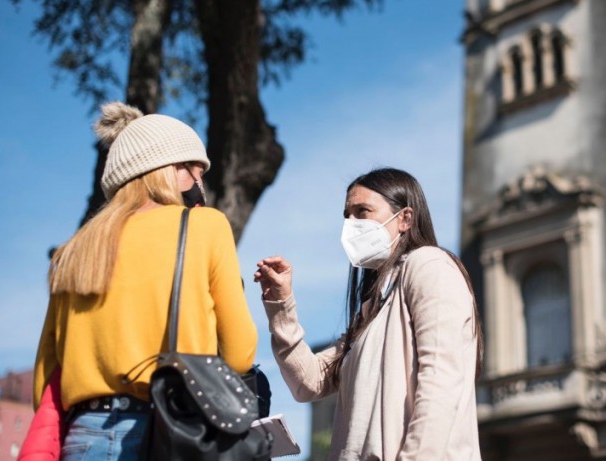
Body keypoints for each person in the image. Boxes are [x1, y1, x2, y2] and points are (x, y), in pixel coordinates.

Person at [32, 102, 258, 460]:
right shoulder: (204, 226)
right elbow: (240, 354)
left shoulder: (73, 251)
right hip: (167, 431)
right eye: (194, 171)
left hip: (82, 435)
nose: (200, 183)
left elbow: (45, 377)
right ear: (167, 170)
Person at [254, 167, 484, 460]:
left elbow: (441, 379)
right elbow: (308, 382)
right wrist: (281, 305)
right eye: (347, 216)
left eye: (362, 211)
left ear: (405, 219)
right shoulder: (372, 309)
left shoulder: (429, 265)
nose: (351, 224)